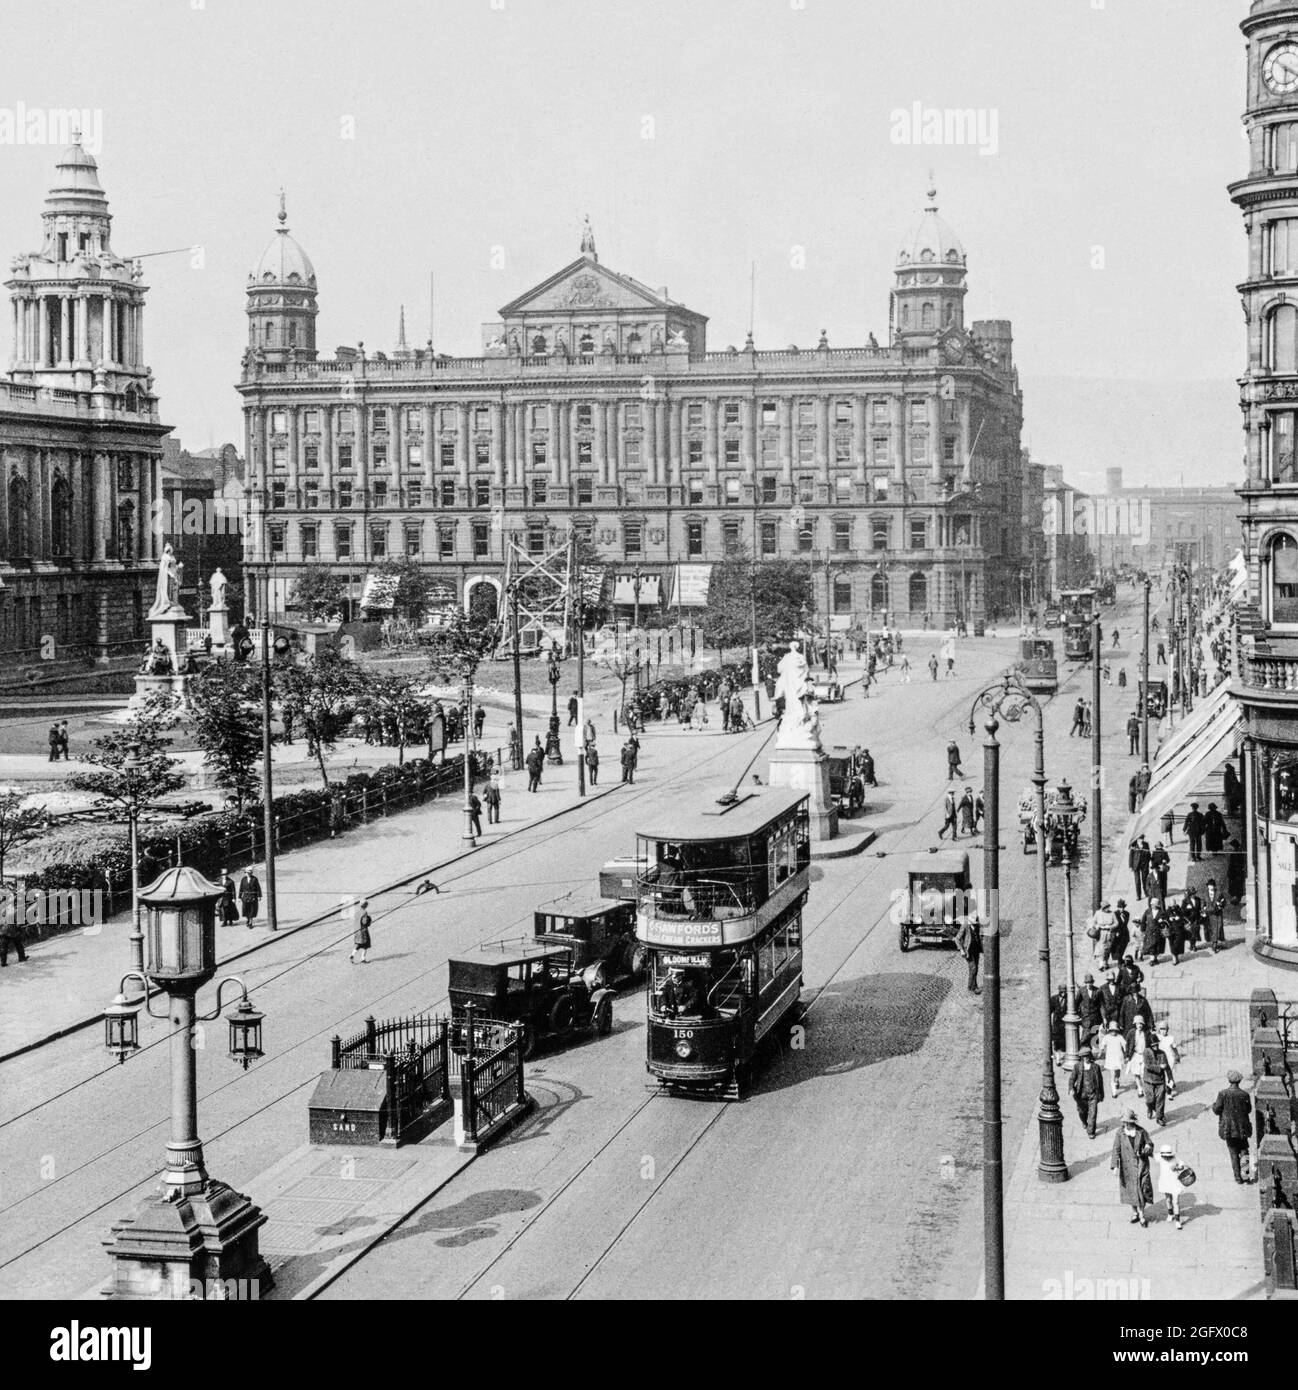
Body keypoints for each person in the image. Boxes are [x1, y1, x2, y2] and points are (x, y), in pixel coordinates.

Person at [1111, 1108, 1155, 1227]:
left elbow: (1150, 1144)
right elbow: (1116, 1149)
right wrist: (1115, 1166)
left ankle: (1141, 1214)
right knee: (1131, 1191)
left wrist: (1147, 1147)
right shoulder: (1120, 1133)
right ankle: (1135, 1213)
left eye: (1128, 1122)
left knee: (1141, 1189)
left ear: (1133, 1122)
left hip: (1141, 1165)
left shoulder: (1141, 1131)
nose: (1126, 1124)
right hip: (1127, 1167)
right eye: (1124, 1122)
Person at [1211, 1069, 1253, 1184]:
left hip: (1228, 1128)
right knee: (1244, 1149)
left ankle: (1238, 1177)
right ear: (1239, 1081)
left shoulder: (1223, 1094)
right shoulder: (1244, 1094)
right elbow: (1248, 1110)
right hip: (1242, 1127)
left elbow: (1217, 1109)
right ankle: (1246, 1174)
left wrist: (1214, 1106)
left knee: (1233, 1152)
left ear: (1229, 1080)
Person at [1070, 1045, 1105, 1138]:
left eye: (1087, 1056)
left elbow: (1100, 1081)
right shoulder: (1077, 1067)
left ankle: (1091, 1132)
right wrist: (1071, 1089)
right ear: (1081, 1057)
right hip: (1081, 1095)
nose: (1086, 1058)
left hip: (1093, 1095)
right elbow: (1072, 1079)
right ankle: (1084, 1122)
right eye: (1084, 1057)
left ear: (1090, 1056)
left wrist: (1101, 1094)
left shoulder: (1096, 1067)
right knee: (1082, 1112)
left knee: (1093, 1114)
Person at [1143, 1033, 1173, 1126]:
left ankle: (1159, 1117)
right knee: (1150, 1100)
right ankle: (1150, 1107)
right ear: (1150, 1046)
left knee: (1160, 1099)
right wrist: (1160, 1067)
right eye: (1153, 1045)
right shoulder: (1146, 1052)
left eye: (1156, 1044)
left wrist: (1170, 1078)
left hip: (1160, 1081)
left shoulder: (1162, 1053)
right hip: (1148, 1081)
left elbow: (1167, 1066)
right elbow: (1148, 1066)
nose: (1155, 1047)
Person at [1156, 1144, 1187, 1228]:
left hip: (1175, 1182)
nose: (1167, 1158)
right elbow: (1151, 1154)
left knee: (1176, 1202)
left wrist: (1177, 1168)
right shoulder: (1159, 1157)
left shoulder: (1175, 1158)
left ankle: (1177, 1220)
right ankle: (1170, 1214)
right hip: (1165, 1182)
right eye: (1165, 1156)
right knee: (1168, 1200)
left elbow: (1182, 1165)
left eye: (1168, 1156)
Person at [956, 916, 981, 994]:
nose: (975, 924)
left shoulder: (977, 926)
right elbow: (957, 939)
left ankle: (971, 986)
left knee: (975, 969)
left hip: (976, 949)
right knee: (973, 968)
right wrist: (961, 950)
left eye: (976, 922)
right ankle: (973, 988)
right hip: (968, 950)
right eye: (974, 922)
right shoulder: (965, 925)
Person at [1102, 1020, 1127, 1095]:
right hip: (1111, 1058)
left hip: (1119, 1057)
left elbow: (1124, 1045)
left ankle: (1117, 1080)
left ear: (1117, 1030)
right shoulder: (1107, 1037)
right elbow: (1102, 1045)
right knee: (1112, 1074)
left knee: (1118, 1072)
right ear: (1109, 1031)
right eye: (1112, 1030)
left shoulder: (1120, 1037)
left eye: (1115, 1030)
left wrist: (1126, 1051)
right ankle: (1114, 1092)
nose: (1113, 1032)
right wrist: (1101, 1051)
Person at [1203, 877, 1226, 952]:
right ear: (1207, 886)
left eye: (1212, 885)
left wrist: (1220, 905)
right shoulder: (1205, 894)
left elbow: (1224, 902)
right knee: (1211, 929)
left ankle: (1215, 944)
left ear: (1214, 886)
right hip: (1209, 914)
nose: (1211, 887)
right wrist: (1204, 909)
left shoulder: (1219, 893)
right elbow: (1203, 904)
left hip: (1217, 914)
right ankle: (1214, 944)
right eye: (1209, 885)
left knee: (1218, 928)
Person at [348, 900, 372, 964]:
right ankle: (363, 959)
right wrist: (369, 920)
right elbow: (364, 922)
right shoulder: (364, 912)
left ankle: (352, 955)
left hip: (356, 930)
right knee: (366, 944)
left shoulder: (357, 912)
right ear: (365, 905)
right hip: (363, 930)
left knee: (359, 944)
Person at [1129, 835, 1150, 900]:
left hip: (1144, 865)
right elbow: (1131, 856)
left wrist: (1147, 862)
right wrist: (1130, 866)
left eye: (1142, 839)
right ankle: (1138, 895)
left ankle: (1146, 893)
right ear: (1137, 839)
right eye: (1140, 839)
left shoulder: (1146, 844)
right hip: (1136, 865)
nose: (1142, 840)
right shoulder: (1133, 845)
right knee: (1137, 881)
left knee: (1145, 879)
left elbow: (1149, 854)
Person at [1111, 900, 1131, 966]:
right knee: (1119, 947)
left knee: (1124, 946)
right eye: (1120, 907)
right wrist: (1116, 931)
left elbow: (1124, 924)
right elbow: (1114, 923)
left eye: (1122, 907)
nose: (1121, 909)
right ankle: (1119, 961)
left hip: (1125, 933)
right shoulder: (1114, 914)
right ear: (1118, 907)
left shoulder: (1127, 913)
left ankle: (1120, 958)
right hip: (1117, 933)